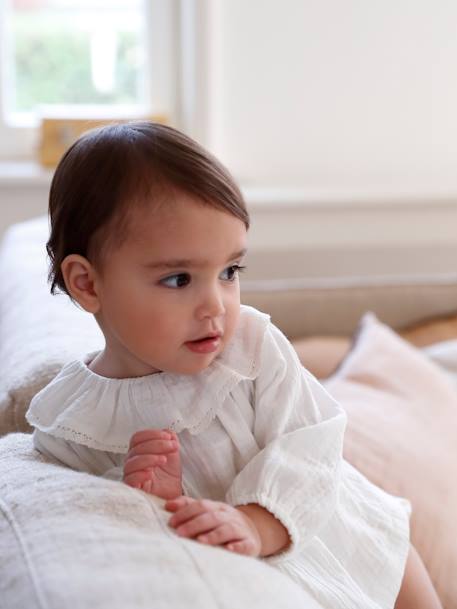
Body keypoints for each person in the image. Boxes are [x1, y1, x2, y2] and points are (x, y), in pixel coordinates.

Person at [26, 122, 442, 609]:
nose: (216, 306)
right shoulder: (71, 423)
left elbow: (312, 439)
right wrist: (153, 497)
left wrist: (257, 520)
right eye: (179, 279)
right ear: (88, 284)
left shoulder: (251, 346)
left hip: (344, 533)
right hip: (276, 585)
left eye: (229, 272)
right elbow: (107, 524)